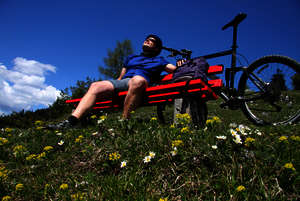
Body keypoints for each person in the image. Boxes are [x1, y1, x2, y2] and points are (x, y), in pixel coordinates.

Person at [50, 34, 177, 129]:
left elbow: (174, 70)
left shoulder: (159, 60)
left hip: (141, 83)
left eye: (152, 41)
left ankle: (125, 122)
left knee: (137, 80)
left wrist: (182, 64)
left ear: (156, 48)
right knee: (96, 85)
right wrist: (113, 88)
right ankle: (71, 122)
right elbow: (120, 78)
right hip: (125, 82)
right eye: (147, 39)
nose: (147, 40)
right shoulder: (131, 58)